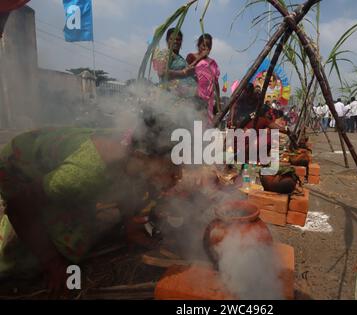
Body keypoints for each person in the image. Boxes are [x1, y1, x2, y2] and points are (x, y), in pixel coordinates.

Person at [0, 124, 181, 292]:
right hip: (19, 171)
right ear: (142, 157)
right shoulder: (82, 175)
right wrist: (53, 262)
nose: (177, 175)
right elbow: (19, 205)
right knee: (63, 248)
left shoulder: (131, 158)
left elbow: (127, 185)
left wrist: (130, 228)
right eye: (171, 166)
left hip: (60, 178)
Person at [186, 34, 221, 125]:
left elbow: (216, 84)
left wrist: (218, 103)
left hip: (208, 102)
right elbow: (187, 70)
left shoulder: (213, 63)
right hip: (194, 98)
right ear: (198, 45)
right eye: (204, 45)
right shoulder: (191, 57)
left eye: (209, 46)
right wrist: (201, 56)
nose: (206, 48)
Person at [152, 28, 197, 98]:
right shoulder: (165, 53)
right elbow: (162, 72)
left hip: (184, 99)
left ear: (181, 42)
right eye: (172, 39)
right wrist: (184, 73)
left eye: (178, 39)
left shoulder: (180, 58)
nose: (175, 41)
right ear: (167, 40)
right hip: (169, 97)